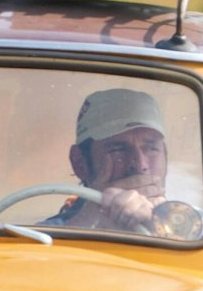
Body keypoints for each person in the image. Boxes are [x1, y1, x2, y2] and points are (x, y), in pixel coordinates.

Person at [42, 87, 188, 236]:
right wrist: (90, 223)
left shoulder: (201, 229)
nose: (140, 165)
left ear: (166, 155)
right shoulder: (44, 237)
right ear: (80, 163)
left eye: (151, 149)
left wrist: (162, 230)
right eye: (118, 149)